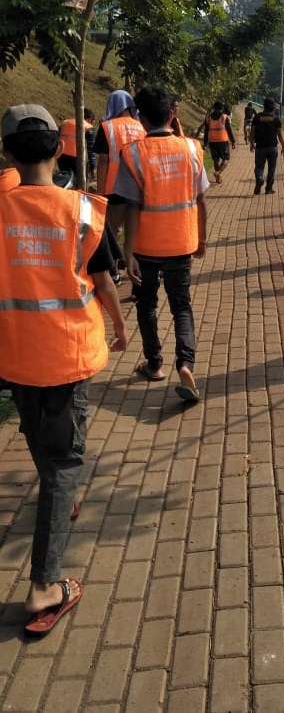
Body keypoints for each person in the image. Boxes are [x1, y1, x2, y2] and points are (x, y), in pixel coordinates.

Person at [0, 103, 127, 636]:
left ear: (6, 153)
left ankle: (59, 493)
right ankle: (45, 586)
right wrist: (121, 327)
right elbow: (102, 283)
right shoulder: (81, 211)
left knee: (39, 435)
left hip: (15, 354)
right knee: (64, 461)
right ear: (60, 149)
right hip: (67, 353)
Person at [115, 85, 209, 402]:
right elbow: (201, 200)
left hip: (145, 247)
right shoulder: (192, 149)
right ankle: (186, 363)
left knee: (147, 305)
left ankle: (154, 363)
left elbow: (130, 206)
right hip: (182, 241)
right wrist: (202, 237)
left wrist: (127, 252)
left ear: (139, 117)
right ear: (172, 115)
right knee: (181, 305)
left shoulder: (132, 154)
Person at [94, 90, 145, 283]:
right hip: (137, 187)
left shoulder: (107, 127)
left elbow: (103, 160)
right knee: (135, 232)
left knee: (112, 232)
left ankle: (114, 273)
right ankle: (138, 275)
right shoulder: (141, 127)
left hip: (113, 188)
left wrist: (99, 193)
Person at [250, 96, 284, 194]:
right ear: (273, 106)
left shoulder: (257, 117)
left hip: (260, 147)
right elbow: (279, 134)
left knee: (259, 167)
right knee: (272, 168)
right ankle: (269, 188)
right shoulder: (276, 119)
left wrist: (251, 143)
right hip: (272, 147)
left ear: (264, 105)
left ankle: (260, 178)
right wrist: (283, 146)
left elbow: (252, 131)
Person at [57, 108, 97, 183]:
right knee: (80, 182)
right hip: (76, 158)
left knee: (63, 180)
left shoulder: (65, 122)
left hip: (61, 156)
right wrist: (93, 167)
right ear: (89, 119)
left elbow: (56, 137)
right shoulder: (88, 127)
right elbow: (91, 150)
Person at [203, 100, 236, 184]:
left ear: (213, 108)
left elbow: (206, 131)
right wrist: (233, 141)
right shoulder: (225, 117)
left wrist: (205, 143)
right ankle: (218, 173)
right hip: (223, 141)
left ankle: (218, 178)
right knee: (226, 159)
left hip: (212, 141)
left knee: (216, 159)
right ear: (222, 108)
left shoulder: (208, 118)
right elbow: (229, 130)